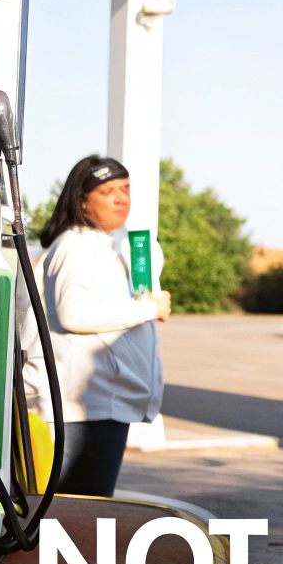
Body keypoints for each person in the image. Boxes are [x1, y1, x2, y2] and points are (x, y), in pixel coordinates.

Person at [33, 155, 172, 496]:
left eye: (125, 189)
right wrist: (146, 310)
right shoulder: (75, 247)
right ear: (82, 200)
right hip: (82, 408)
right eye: (108, 191)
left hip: (102, 406)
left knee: (84, 510)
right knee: (76, 513)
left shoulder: (107, 247)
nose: (121, 198)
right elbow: (74, 315)